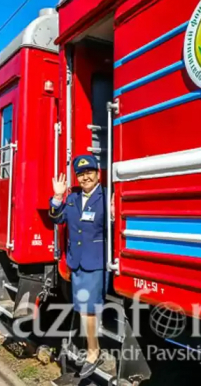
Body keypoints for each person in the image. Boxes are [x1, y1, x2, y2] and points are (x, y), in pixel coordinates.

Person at [49, 154, 111, 379]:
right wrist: (57, 196)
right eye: (81, 174)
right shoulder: (73, 198)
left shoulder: (106, 196)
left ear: (98, 174)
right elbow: (56, 218)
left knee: (88, 308)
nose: (85, 177)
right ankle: (90, 347)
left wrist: (114, 215)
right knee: (82, 307)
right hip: (76, 261)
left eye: (89, 172)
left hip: (95, 261)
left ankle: (94, 352)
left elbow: (113, 222)